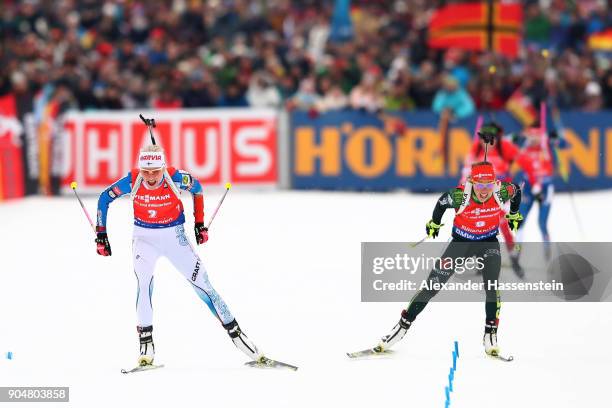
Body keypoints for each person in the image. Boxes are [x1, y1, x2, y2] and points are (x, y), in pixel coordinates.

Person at [95, 144, 266, 367]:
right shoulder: (132, 179)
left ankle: (240, 338)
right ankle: (146, 344)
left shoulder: (176, 177)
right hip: (144, 239)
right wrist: (101, 235)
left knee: (204, 286)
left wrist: (199, 224)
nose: (150, 177)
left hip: (175, 239)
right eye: (146, 171)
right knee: (144, 283)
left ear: (163, 167)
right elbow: (103, 198)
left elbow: (198, 189)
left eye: (155, 171)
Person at [376, 161, 523, 358]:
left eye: (488, 185)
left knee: (492, 287)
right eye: (480, 185)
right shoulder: (459, 196)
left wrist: (514, 213)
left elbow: (517, 192)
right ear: (472, 182)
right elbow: (440, 203)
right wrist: (434, 224)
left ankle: (490, 334)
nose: (484, 190)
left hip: (488, 243)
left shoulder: (501, 191)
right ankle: (401, 328)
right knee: (432, 286)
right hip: (460, 244)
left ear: (495, 183)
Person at [461, 122, 524, 277]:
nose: (486, 143)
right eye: (483, 139)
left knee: (502, 227)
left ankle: (514, 258)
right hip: (479, 197)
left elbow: (525, 162)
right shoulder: (475, 149)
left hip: (499, 196)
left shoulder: (505, 148)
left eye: (491, 139)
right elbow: (465, 174)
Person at [513, 124, 567, 259]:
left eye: (536, 136)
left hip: (545, 188)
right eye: (531, 136)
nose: (533, 139)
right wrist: (517, 136)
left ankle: (547, 251)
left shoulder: (546, 145)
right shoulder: (524, 146)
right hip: (528, 189)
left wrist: (556, 137)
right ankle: (517, 251)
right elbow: (510, 141)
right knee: (520, 220)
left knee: (542, 222)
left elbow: (564, 144)